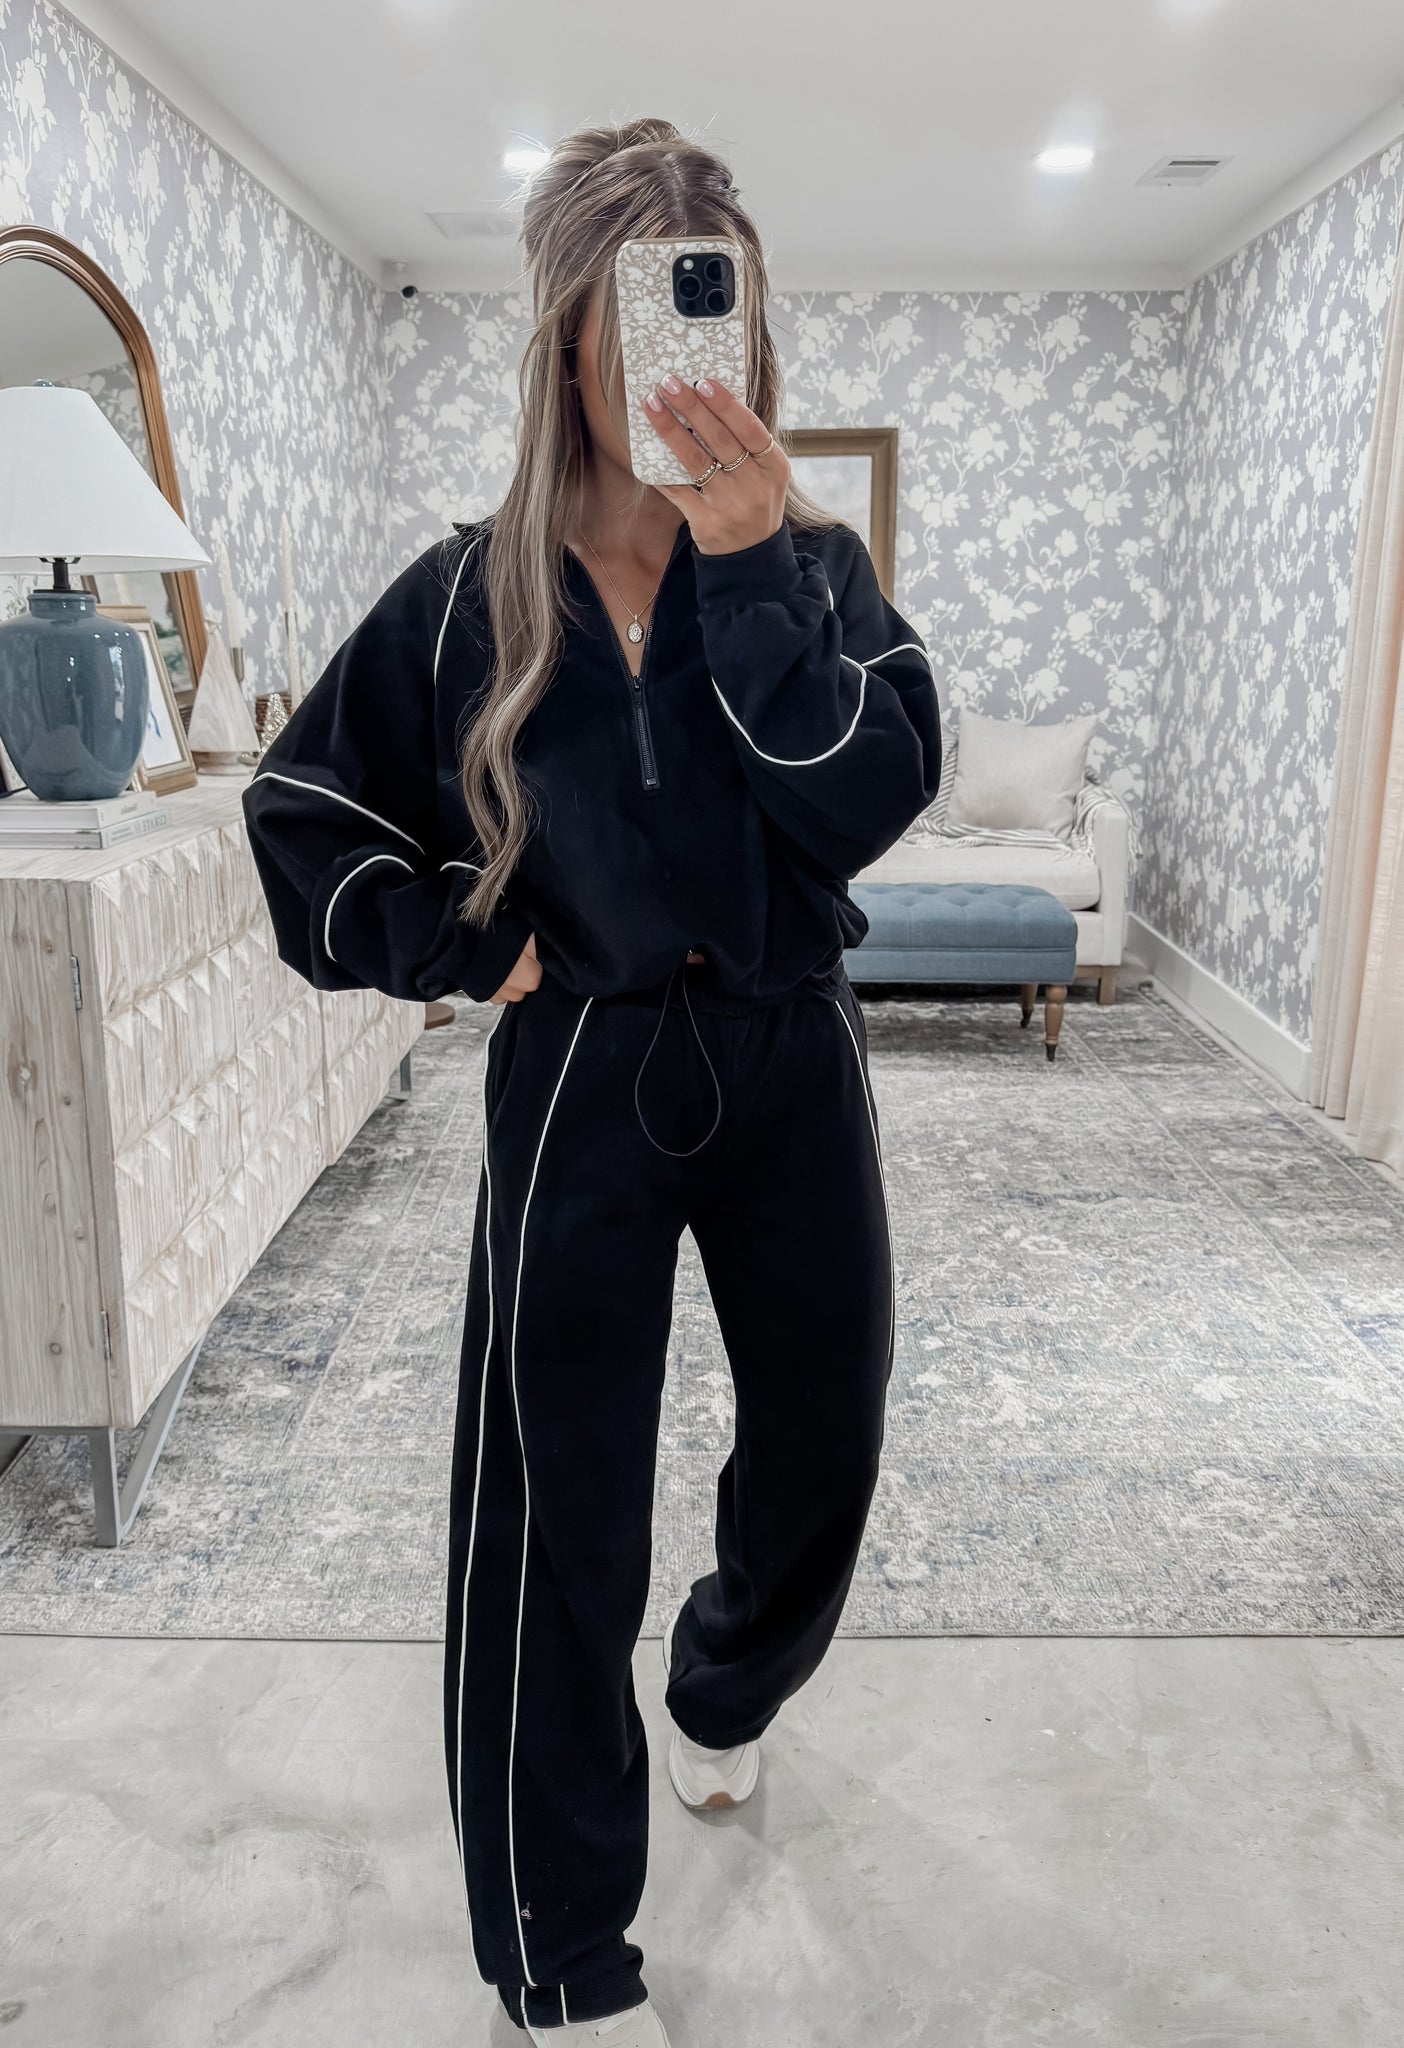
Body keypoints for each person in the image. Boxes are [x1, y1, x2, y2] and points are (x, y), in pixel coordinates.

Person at [242, 116, 941, 2048]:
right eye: (636, 320)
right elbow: (301, 816)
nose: (675, 361)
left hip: (791, 1053)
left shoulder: (813, 567)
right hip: (583, 1075)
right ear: (567, 337)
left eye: (713, 316)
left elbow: (870, 802)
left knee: (827, 1444)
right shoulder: (466, 594)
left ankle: (723, 1683)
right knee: (555, 1509)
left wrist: (753, 573)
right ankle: (563, 1953)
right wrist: (461, 946)